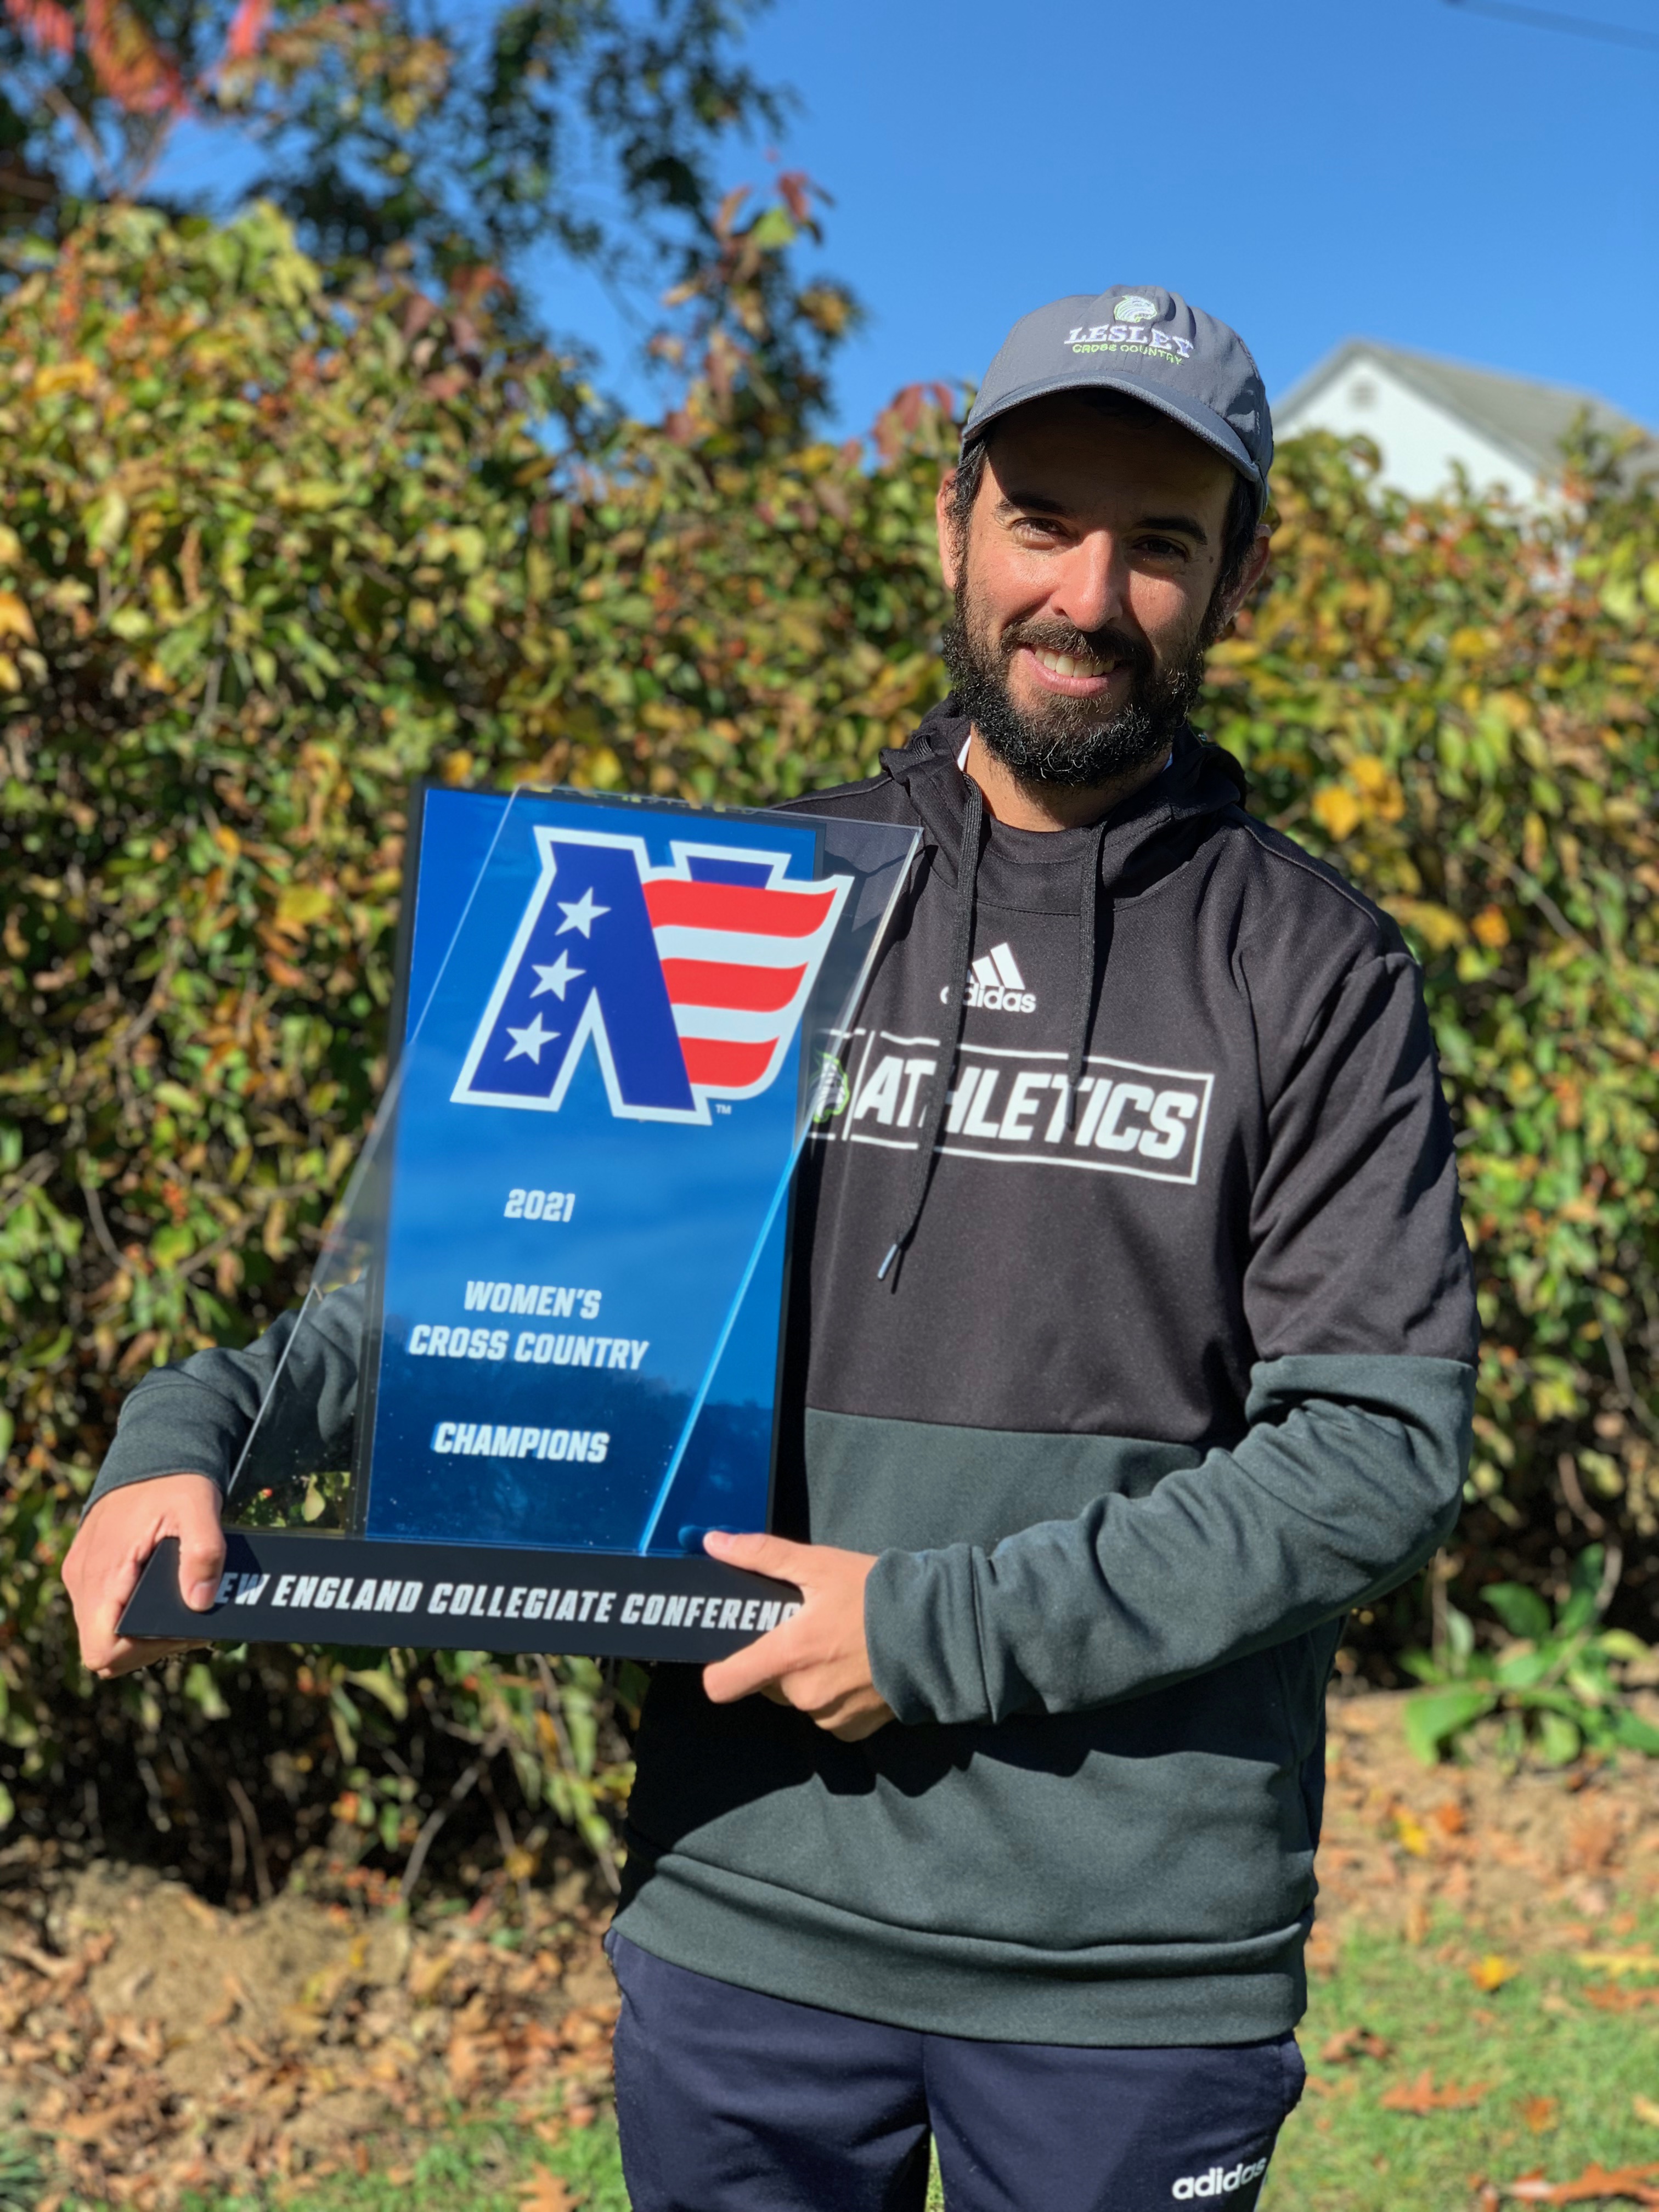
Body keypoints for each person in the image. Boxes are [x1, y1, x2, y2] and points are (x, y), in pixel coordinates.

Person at [65, 285, 1477, 2212]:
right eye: (1045, 521)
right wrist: (193, 1433)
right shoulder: (721, 910)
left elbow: (1371, 1457)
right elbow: (488, 1304)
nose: (1088, 592)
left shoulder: (1313, 970)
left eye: (1161, 543)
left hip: (1127, 1967)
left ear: (1239, 582)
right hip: (748, 1910)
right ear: (957, 522)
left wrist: (930, 1632)